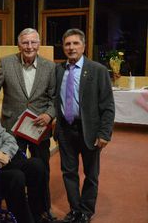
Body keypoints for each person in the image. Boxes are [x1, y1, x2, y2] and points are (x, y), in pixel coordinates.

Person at [0, 86, 56, 223]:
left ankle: (37, 215)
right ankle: (25, 220)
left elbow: (10, 139)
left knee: (36, 165)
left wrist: (3, 153)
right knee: (16, 177)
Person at [0, 28, 56, 216]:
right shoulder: (6, 63)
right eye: (25, 42)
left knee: (42, 168)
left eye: (33, 42)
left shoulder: (50, 67)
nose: (29, 46)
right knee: (15, 169)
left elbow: (54, 98)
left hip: (39, 127)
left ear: (39, 44)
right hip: (13, 127)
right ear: (19, 45)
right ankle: (17, 209)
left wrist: (49, 115)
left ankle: (43, 209)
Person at [55, 29, 115, 223]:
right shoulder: (59, 70)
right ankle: (75, 210)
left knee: (91, 174)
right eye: (67, 44)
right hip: (65, 130)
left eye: (75, 43)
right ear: (63, 47)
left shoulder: (97, 70)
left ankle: (86, 212)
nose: (71, 48)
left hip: (89, 131)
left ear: (83, 46)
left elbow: (108, 105)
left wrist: (104, 133)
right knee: (69, 173)